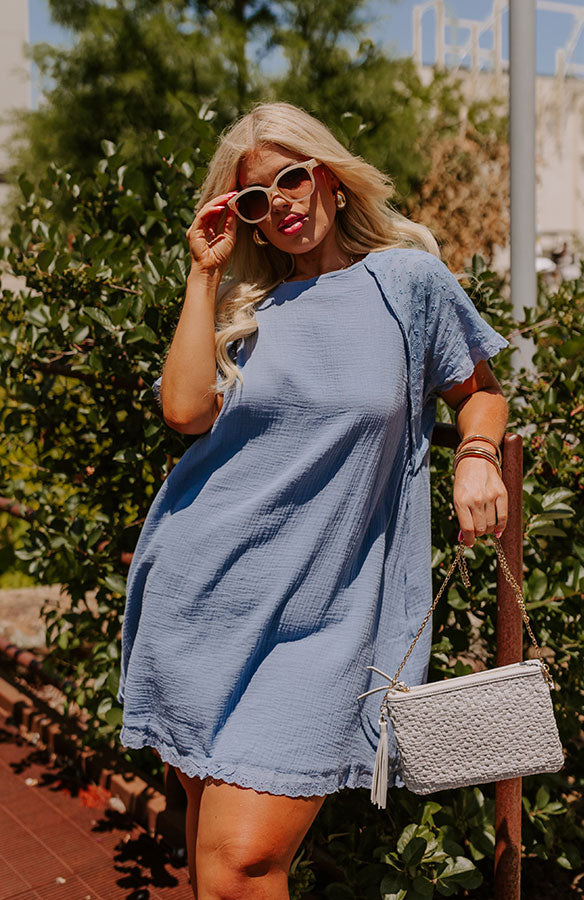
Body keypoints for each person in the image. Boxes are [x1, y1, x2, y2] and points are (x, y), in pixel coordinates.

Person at [118, 101, 509, 899]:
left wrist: (476, 457)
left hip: (328, 617)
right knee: (213, 864)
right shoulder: (252, 311)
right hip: (204, 598)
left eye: (291, 179)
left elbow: (481, 392)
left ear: (327, 175)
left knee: (241, 862)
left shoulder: (407, 282)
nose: (281, 204)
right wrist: (205, 271)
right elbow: (186, 411)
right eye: (256, 200)